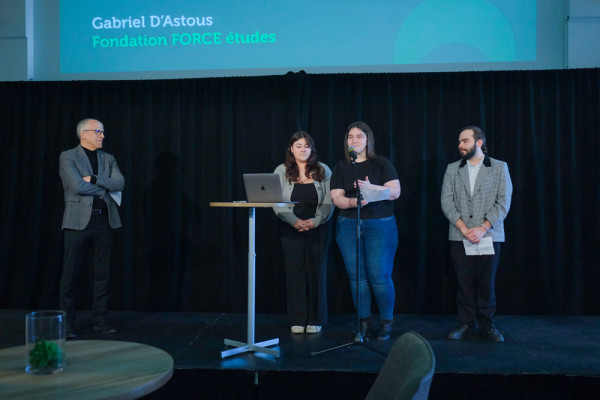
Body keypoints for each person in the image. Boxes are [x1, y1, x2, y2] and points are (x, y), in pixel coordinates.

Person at [330, 121, 401, 341]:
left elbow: (395, 192)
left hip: (380, 225)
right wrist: (353, 202)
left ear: (367, 139)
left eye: (359, 136)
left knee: (379, 277)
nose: (354, 141)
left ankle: (386, 321)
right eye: (350, 137)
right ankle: (363, 322)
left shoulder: (381, 163)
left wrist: (372, 190)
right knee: (357, 278)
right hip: (349, 225)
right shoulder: (342, 167)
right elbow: (336, 197)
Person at [441, 126, 512, 342]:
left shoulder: (499, 167)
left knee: (486, 284)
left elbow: (504, 201)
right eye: (459, 142)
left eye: (465, 141)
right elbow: (446, 201)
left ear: (479, 142)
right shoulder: (453, 169)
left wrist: (483, 228)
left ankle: (487, 324)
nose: (460, 145)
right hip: (460, 235)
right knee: (464, 283)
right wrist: (464, 229)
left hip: (488, 235)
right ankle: (465, 323)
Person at [59, 118, 125, 338]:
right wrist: (103, 190)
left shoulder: (108, 158)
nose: (102, 135)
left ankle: (101, 319)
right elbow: (76, 186)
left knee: (102, 274)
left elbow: (120, 183)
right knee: (70, 274)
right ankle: (68, 322)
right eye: (97, 131)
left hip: (104, 221)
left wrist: (95, 178)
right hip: (77, 221)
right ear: (83, 134)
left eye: (103, 132)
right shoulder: (68, 156)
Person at [273, 131, 333, 334]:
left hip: (318, 226)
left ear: (312, 149)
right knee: (294, 271)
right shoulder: (281, 170)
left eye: (306, 145)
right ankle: (297, 318)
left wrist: (316, 221)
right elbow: (276, 200)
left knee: (317, 271)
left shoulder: (323, 169)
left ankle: (316, 318)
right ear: (291, 149)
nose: (303, 149)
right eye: (298, 145)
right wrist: (294, 221)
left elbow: (329, 200)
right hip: (291, 225)